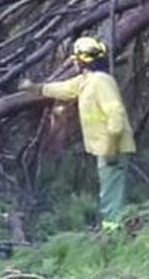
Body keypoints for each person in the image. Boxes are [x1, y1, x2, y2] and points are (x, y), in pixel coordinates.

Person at [21, 36, 135, 231]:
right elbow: (64, 89)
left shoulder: (102, 81)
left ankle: (113, 233)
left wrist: (111, 147)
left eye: (76, 59)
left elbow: (115, 113)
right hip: (105, 147)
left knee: (111, 193)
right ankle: (113, 229)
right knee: (109, 190)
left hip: (112, 146)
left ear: (82, 61)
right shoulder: (86, 81)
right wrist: (36, 88)